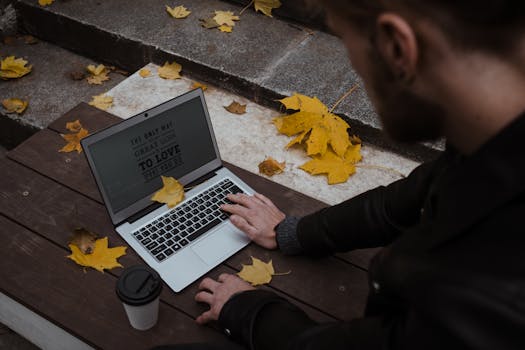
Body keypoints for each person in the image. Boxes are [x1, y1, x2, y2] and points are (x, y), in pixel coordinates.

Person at [191, 1, 525, 349]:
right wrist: (292, 232)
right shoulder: (491, 140)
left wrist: (249, 311)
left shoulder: (493, 300)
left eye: (344, 39)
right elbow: (412, 197)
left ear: (396, 46)